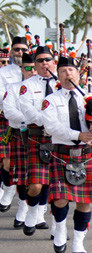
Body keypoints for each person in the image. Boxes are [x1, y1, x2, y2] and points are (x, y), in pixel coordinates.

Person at [41, 56, 92, 253]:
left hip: (86, 155)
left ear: (79, 74)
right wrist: (77, 135)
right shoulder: (51, 100)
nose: (68, 74)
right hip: (62, 153)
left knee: (84, 202)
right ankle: (60, 229)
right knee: (60, 199)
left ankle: (78, 242)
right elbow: (51, 126)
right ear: (57, 76)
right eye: (63, 71)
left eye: (71, 70)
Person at [18, 46, 57, 236]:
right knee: (35, 184)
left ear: (54, 62)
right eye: (40, 60)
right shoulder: (28, 85)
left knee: (52, 184)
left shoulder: (63, 84)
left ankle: (45, 216)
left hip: (60, 137)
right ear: (34, 64)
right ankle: (32, 211)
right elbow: (27, 109)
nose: (44, 63)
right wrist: (48, 121)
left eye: (47, 59)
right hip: (38, 135)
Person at [2, 53, 37, 228]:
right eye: (28, 68)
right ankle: (23, 204)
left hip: (43, 136)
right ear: (22, 69)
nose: (32, 71)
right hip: (21, 133)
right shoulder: (14, 87)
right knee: (22, 176)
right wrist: (31, 119)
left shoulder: (48, 87)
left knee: (41, 178)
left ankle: (39, 211)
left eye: (34, 68)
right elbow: (9, 111)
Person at [0, 37, 29, 212]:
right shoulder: (3, 73)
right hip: (8, 119)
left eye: (23, 50)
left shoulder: (34, 72)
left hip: (31, 123)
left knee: (28, 164)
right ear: (11, 51)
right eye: (17, 49)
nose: (20, 53)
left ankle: (25, 206)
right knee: (7, 160)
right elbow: (3, 97)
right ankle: (9, 187)